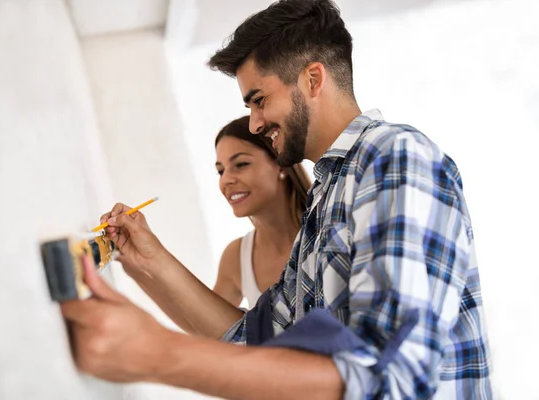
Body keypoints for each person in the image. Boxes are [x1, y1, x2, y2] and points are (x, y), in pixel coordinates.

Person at [61, 1, 493, 399]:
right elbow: (255, 340)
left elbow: (391, 378)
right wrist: (148, 261)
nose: (254, 122)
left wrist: (159, 354)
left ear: (312, 79)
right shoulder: (325, 199)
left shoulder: (394, 157)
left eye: (259, 100)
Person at [213, 116, 311, 308]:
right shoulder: (237, 258)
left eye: (241, 164)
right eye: (221, 171)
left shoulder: (328, 232)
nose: (226, 180)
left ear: (281, 163)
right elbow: (205, 329)